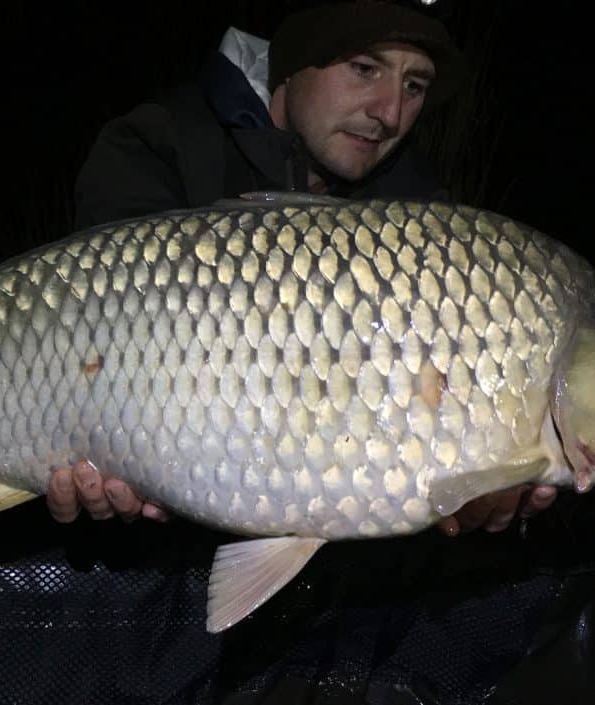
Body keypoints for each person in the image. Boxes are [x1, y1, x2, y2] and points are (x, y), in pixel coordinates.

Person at [46, 0, 559, 538]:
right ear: (292, 65)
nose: (390, 112)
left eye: (415, 86)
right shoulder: (160, 146)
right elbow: (88, 344)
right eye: (365, 68)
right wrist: (113, 455)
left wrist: (475, 482)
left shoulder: (418, 213)